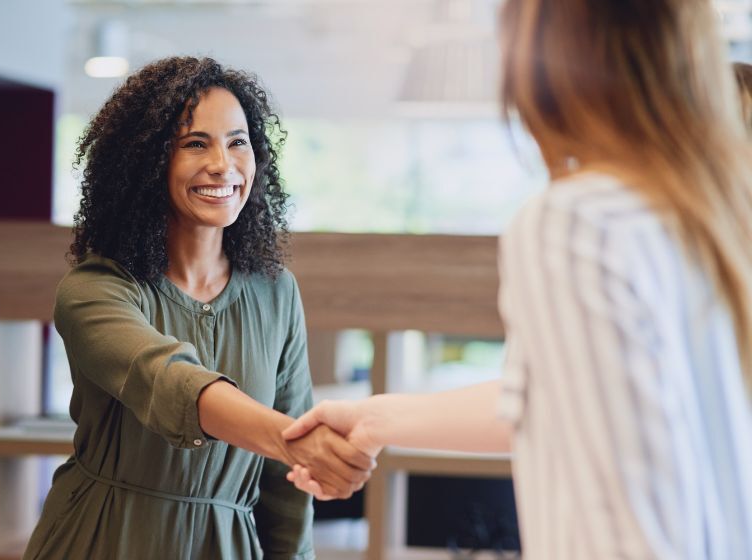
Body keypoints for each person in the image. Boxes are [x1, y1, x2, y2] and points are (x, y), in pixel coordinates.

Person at [283, 1, 752, 558]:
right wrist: (376, 418)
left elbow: (630, 506)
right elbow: (556, 399)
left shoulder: (579, 221)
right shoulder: (708, 220)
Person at [23, 56, 373, 560]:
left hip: (226, 545)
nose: (222, 164)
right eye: (194, 144)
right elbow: (168, 379)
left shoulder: (275, 292)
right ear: (148, 162)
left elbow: (286, 483)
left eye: (237, 142)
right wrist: (294, 440)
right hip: (105, 539)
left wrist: (295, 462)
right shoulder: (95, 289)